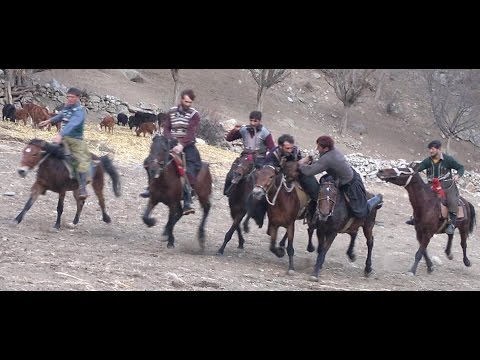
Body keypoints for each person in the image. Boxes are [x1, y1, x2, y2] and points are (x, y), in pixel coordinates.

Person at [140, 89, 201, 216]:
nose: (187, 104)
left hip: (188, 145)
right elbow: (167, 127)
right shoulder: (172, 111)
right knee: (150, 161)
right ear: (181, 100)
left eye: (190, 102)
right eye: (185, 101)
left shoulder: (194, 115)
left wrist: (181, 145)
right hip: (170, 142)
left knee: (189, 169)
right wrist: (169, 139)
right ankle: (150, 186)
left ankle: (188, 198)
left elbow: (191, 132)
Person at [298, 135, 383, 219]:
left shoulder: (328, 158)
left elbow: (309, 172)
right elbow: (319, 163)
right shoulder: (330, 152)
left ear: (326, 148)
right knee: (324, 184)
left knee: (361, 212)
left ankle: (377, 199)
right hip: (337, 178)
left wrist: (298, 165)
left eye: (319, 147)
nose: (317, 149)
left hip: (351, 183)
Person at [38, 87, 90, 200]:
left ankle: (82, 188)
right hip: (63, 137)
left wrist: (60, 135)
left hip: (76, 140)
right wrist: (49, 120)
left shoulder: (79, 112)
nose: (69, 99)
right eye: (68, 97)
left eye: (71, 97)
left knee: (81, 161)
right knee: (48, 152)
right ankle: (44, 179)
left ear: (77, 98)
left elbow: (72, 124)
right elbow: (61, 116)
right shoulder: (67, 108)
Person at [405, 140, 464, 235]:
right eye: (430, 149)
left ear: (438, 149)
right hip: (431, 185)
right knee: (419, 198)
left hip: (447, 186)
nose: (430, 151)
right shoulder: (428, 161)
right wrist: (412, 168)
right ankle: (416, 218)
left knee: (452, 200)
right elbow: (420, 167)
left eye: (432, 149)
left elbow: (461, 167)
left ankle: (451, 224)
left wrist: (458, 175)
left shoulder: (448, 160)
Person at [265, 134, 319, 218]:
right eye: (287, 148)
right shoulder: (273, 154)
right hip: (278, 175)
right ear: (280, 146)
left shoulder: (296, 150)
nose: (290, 150)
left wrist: (307, 161)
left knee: (314, 187)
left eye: (291, 148)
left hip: (296, 173)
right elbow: (268, 169)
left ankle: (313, 210)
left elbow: (299, 163)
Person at [223, 110, 275, 196]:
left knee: (259, 180)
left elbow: (272, 148)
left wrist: (266, 157)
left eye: (255, 121)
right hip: (245, 157)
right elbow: (229, 139)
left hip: (259, 160)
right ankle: (228, 192)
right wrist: (234, 130)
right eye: (251, 120)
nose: (253, 123)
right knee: (231, 174)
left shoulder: (265, 133)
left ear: (259, 121)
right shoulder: (244, 130)